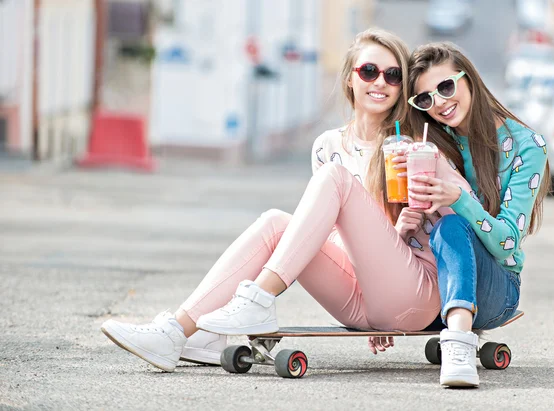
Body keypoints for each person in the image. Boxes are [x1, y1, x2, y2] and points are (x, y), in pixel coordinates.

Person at [100, 28, 471, 374]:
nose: (380, 83)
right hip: (360, 297)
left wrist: (421, 216)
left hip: (414, 294)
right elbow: (331, 235)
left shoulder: (413, 148)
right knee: (277, 222)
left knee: (333, 180)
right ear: (350, 78)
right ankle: (179, 332)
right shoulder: (327, 146)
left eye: (393, 76)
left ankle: (259, 298)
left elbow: (463, 215)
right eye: (370, 70)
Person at [404, 42, 551, 387]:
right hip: (433, 280)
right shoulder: (432, 146)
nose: (439, 103)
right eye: (425, 99)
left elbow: (506, 245)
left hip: (497, 288)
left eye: (446, 87)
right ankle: (453, 329)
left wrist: (459, 199)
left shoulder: (527, 146)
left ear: (468, 79)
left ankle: (457, 346)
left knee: (453, 224)